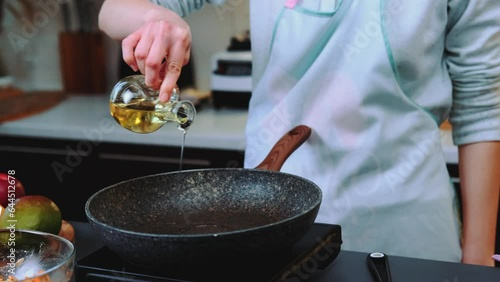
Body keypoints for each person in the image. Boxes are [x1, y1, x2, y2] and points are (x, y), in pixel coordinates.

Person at [98, 0, 500, 266]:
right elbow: (112, 9)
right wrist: (155, 18)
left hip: (411, 229)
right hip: (268, 220)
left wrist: (479, 261)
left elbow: (484, 108)